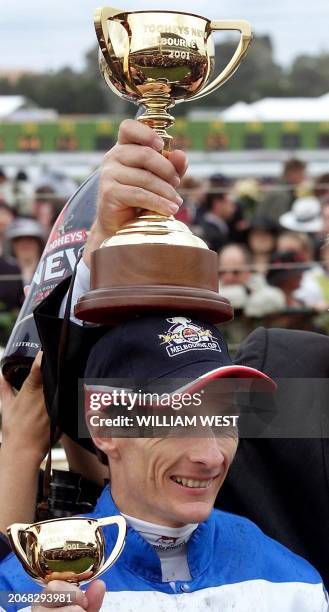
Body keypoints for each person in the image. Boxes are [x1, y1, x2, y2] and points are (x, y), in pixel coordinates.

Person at [1, 317, 329, 612]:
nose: (212, 456)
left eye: (225, 418)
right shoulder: (22, 592)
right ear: (103, 429)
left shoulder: (295, 583)